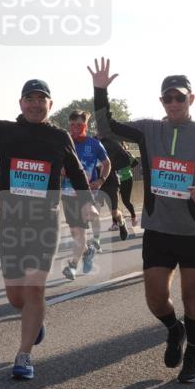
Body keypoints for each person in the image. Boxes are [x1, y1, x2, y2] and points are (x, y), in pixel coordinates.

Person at [91, 58, 195, 383]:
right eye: (168, 98)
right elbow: (106, 129)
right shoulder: (149, 130)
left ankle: (193, 355)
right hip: (157, 229)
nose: (174, 103)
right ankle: (175, 329)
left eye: (180, 97)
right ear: (161, 101)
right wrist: (100, 91)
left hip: (193, 231)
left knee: (192, 298)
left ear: (191, 99)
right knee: (156, 299)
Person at [0, 51, 97, 380]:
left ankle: (24, 355)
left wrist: (87, 202)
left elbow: (76, 172)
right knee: (17, 296)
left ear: (50, 104)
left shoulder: (59, 137)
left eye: (41, 99)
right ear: (20, 103)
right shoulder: (5, 132)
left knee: (35, 288)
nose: (35, 104)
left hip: (44, 222)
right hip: (12, 221)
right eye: (30, 99)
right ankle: (34, 316)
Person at [60, 111, 110, 279]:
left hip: (86, 195)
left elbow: (107, 164)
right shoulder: (65, 143)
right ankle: (88, 252)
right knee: (75, 232)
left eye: (79, 125)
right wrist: (60, 169)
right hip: (67, 193)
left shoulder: (94, 144)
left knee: (79, 232)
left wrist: (101, 180)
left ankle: (72, 266)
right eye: (72, 124)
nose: (74, 128)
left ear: (85, 126)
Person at [99, 136, 136, 238]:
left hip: (123, 180)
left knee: (124, 202)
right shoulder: (98, 145)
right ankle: (114, 224)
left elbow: (133, 162)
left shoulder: (123, 152)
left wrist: (124, 168)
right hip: (107, 181)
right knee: (108, 205)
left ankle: (131, 218)